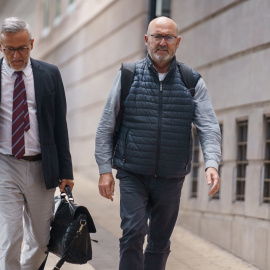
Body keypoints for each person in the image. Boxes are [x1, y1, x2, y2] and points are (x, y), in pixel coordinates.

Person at [95, 16, 221, 270]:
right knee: (132, 233)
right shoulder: (128, 75)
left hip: (171, 176)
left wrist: (212, 163)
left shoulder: (191, 80)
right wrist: (104, 170)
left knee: (159, 242)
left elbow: (208, 126)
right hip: (133, 172)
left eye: (168, 37)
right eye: (157, 36)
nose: (162, 42)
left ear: (178, 42)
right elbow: (106, 125)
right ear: (147, 40)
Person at [0, 17, 74, 270]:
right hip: (5, 165)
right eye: (10, 49)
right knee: (10, 236)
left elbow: (59, 126)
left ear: (32, 44)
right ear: (1, 46)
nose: (16, 55)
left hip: (43, 168)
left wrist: (66, 172)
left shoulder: (49, 74)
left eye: (22, 48)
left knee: (41, 241)